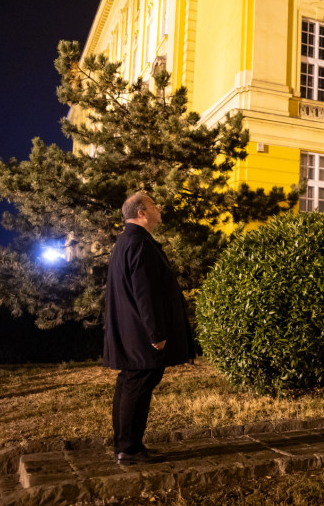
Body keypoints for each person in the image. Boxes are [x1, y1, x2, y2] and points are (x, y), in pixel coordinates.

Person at [104, 193, 195, 465]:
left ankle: (126, 445)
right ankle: (129, 450)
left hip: (132, 330)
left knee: (130, 383)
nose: (159, 208)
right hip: (142, 333)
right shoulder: (139, 243)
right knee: (137, 384)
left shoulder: (128, 241)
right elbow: (145, 293)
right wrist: (156, 333)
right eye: (154, 205)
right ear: (142, 212)